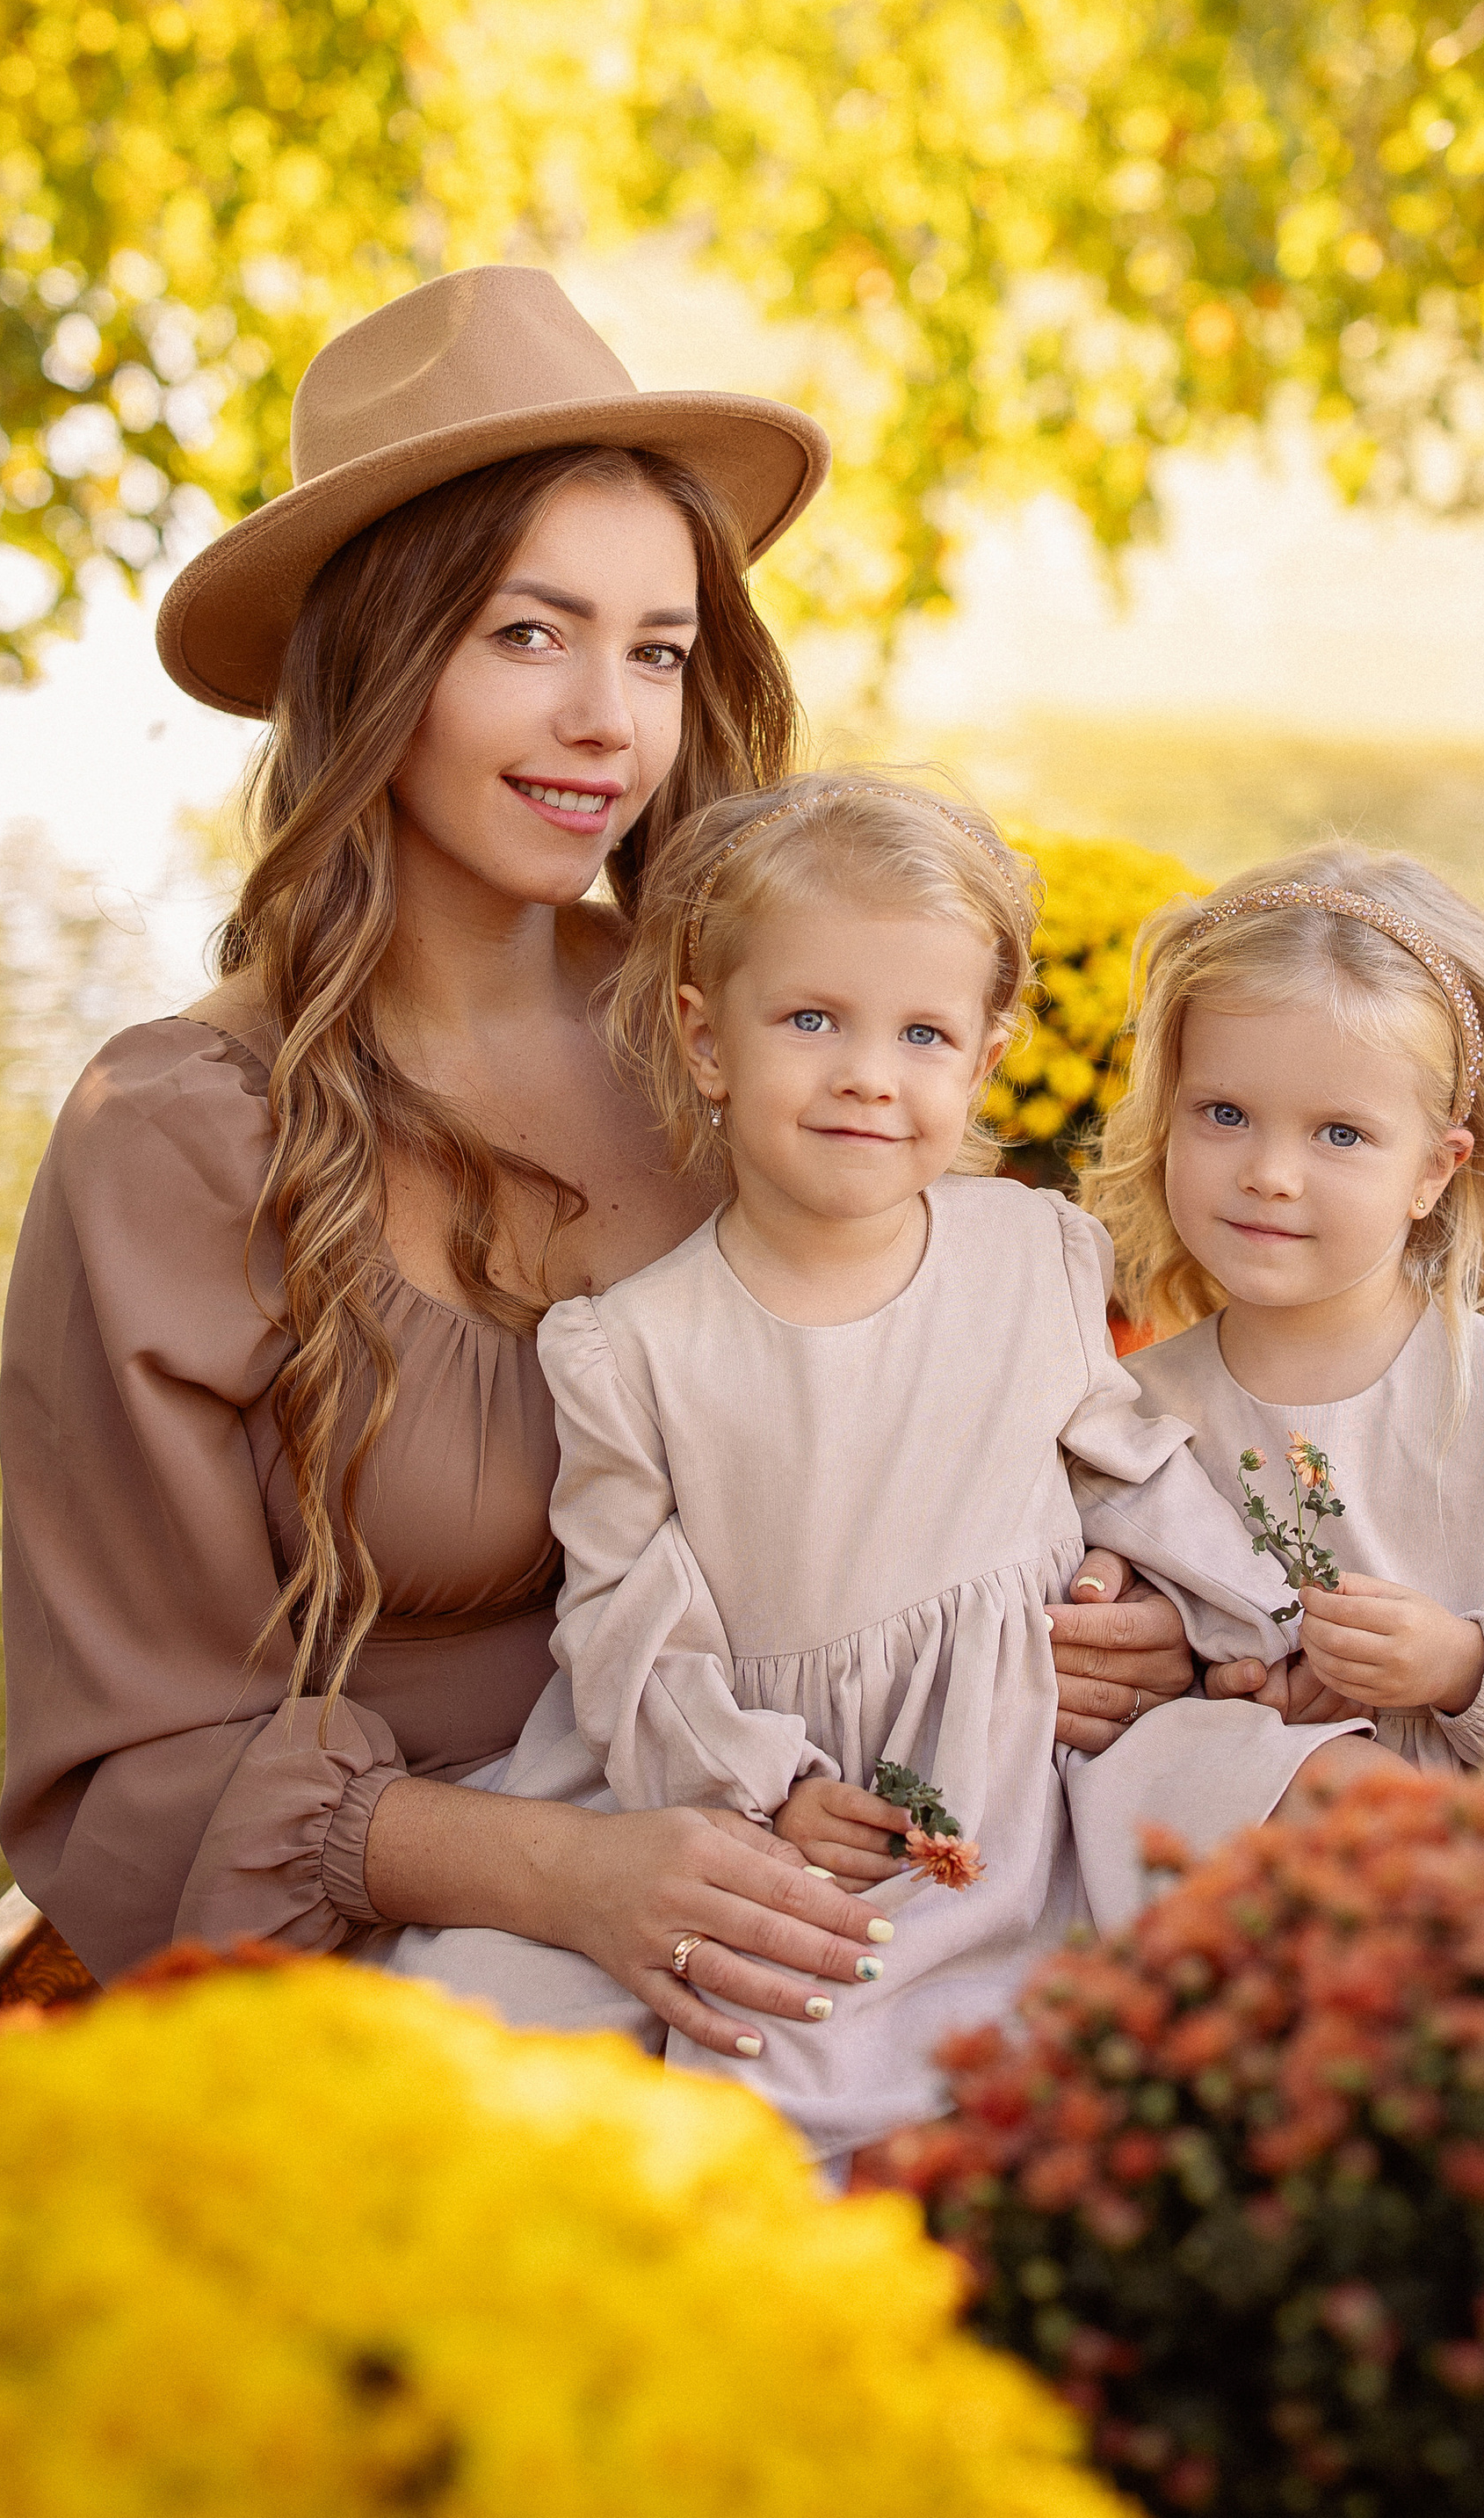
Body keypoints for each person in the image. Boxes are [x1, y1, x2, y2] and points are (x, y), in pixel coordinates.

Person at [0, 267, 1197, 2060]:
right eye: (526, 636)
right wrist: (570, 1877)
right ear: (376, 660)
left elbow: (948, 1392)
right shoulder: (175, 1138)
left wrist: (1110, 1609)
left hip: (869, 1820)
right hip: (449, 1920)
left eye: (654, 649)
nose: (608, 727)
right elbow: (135, 1760)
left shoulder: (739, 1034)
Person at [391, 773, 1357, 2160]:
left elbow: (1129, 1467)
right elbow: (626, 1624)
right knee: (729, 2055)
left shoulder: (1031, 1253)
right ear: (704, 1038)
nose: (867, 1074)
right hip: (805, 1790)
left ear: (983, 1055)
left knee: (1264, 1890)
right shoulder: (634, 1346)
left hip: (1033, 1757)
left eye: (921, 1033)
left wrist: (1232, 1624)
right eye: (810, 1021)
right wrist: (764, 1782)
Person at [1082, 839, 1484, 1861]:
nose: (1270, 1174)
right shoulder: (1135, 1415)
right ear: (1166, 1121)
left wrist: (1466, 1666)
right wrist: (1206, 1682)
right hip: (1290, 1883)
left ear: (1433, 1170)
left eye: (1339, 1134)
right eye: (1225, 1114)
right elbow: (1129, 1683)